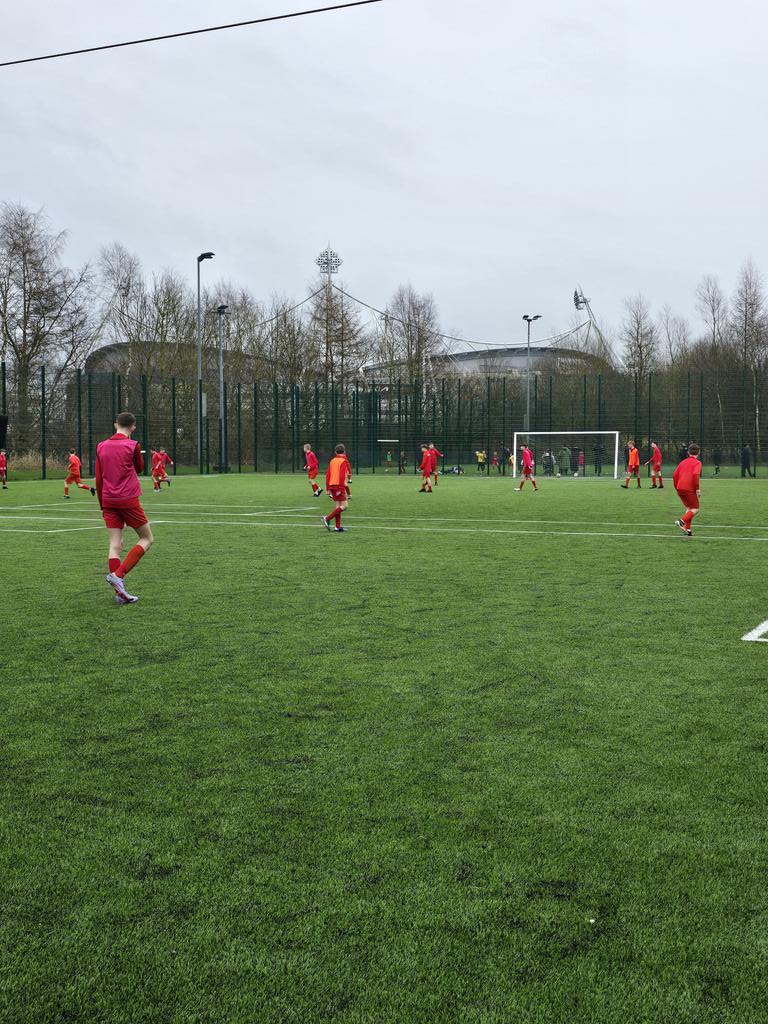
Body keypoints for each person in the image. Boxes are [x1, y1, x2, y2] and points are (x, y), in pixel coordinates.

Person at [95, 412, 153, 605]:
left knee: (115, 545)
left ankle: (120, 592)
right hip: (128, 499)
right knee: (146, 538)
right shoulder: (133, 445)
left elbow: (99, 477)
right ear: (133, 427)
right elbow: (140, 468)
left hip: (108, 500)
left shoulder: (101, 446)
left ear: (115, 424)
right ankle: (118, 575)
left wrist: (103, 506)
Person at [322, 444, 352, 533]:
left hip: (332, 485)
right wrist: (340, 488)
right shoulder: (343, 461)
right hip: (339, 486)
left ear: (335, 452)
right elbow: (342, 476)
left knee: (338, 506)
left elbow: (328, 475)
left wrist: (328, 488)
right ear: (344, 451)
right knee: (345, 506)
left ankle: (337, 527)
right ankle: (327, 518)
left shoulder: (332, 461)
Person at [673, 442, 702, 537]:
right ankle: (682, 521)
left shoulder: (682, 462)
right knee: (696, 508)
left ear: (688, 452)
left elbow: (675, 475)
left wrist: (677, 488)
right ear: (698, 453)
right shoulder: (697, 463)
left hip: (680, 488)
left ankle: (688, 530)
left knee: (689, 508)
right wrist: (697, 489)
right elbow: (695, 475)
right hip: (689, 488)